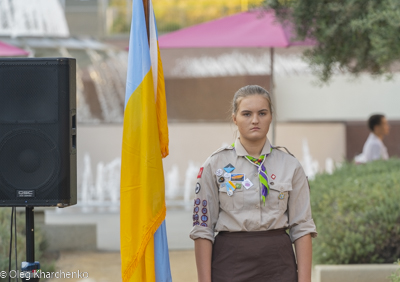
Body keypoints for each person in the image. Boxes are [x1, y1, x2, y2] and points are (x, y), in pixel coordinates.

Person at [190, 85, 317, 282]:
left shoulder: (291, 166)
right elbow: (202, 228)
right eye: (247, 114)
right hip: (230, 263)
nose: (255, 120)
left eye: (262, 113)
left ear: (271, 116)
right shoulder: (215, 165)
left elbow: (302, 227)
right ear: (234, 118)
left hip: (279, 264)